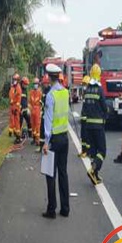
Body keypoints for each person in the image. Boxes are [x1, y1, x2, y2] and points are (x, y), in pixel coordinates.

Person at [42, 64, 70, 219]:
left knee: (50, 174)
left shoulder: (50, 96)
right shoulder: (65, 93)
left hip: (53, 139)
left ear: (48, 77)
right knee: (63, 173)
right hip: (64, 138)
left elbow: (48, 120)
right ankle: (65, 209)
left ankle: (51, 209)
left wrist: (46, 142)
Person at [84, 64, 108, 185]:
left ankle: (95, 176)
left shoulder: (87, 89)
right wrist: (106, 115)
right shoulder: (99, 89)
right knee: (102, 151)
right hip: (98, 126)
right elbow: (104, 107)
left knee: (93, 151)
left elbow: (85, 107)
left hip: (88, 126)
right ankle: (93, 169)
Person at [37, 74, 51, 153]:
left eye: (45, 83)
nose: (44, 85)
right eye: (44, 83)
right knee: (41, 130)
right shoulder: (44, 91)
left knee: (48, 131)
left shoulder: (50, 91)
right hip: (44, 114)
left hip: (48, 115)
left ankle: (48, 146)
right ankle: (41, 147)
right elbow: (42, 101)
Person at [79, 75, 91, 158]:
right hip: (83, 118)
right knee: (83, 135)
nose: (84, 86)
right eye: (83, 84)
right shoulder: (84, 93)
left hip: (87, 119)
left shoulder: (89, 94)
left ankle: (88, 152)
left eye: (85, 84)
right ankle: (83, 150)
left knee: (87, 136)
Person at [8, 74, 22, 143]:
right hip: (12, 106)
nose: (14, 81)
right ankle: (13, 133)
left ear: (18, 80)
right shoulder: (12, 87)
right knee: (12, 120)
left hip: (16, 107)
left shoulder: (18, 88)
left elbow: (19, 99)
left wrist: (16, 108)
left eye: (15, 80)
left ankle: (18, 137)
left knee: (16, 122)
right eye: (14, 79)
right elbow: (11, 96)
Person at [29, 77, 43, 145]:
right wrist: (29, 109)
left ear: (38, 84)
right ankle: (34, 138)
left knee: (37, 125)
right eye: (34, 84)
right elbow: (29, 102)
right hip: (32, 110)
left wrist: (40, 111)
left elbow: (41, 103)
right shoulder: (31, 92)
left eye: (36, 84)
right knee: (33, 125)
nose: (35, 85)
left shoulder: (40, 93)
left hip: (37, 110)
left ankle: (38, 140)